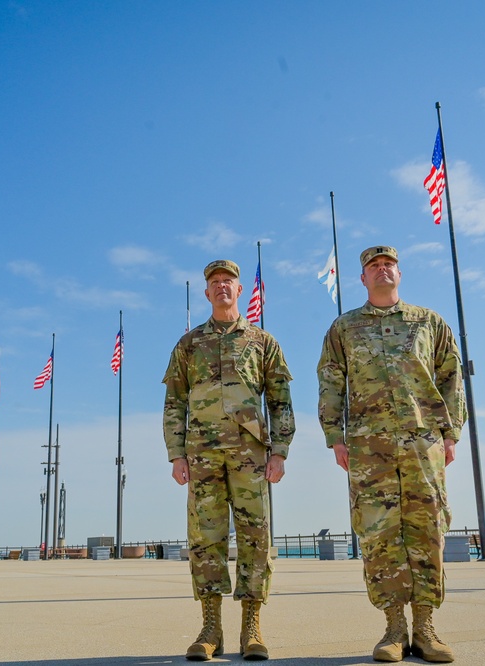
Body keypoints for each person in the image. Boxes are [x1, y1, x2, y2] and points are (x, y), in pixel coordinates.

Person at [317, 246, 466, 663]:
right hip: (369, 445)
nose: (381, 270)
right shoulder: (344, 328)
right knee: (378, 532)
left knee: (428, 528)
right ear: (362, 279)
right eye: (372, 267)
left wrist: (451, 434)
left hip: (423, 441)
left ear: (399, 273)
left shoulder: (429, 322)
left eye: (387, 265)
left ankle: (425, 626)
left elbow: (451, 377)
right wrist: (336, 437)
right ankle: (393, 628)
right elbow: (330, 383)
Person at [162, 259, 296, 662]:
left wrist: (280, 450)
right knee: (205, 540)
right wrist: (176, 453)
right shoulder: (188, 345)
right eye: (215, 282)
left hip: (251, 455)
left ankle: (251, 628)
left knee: (256, 537)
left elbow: (280, 401)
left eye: (228, 282)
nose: (222, 287)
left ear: (240, 291)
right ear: (206, 293)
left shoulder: (262, 342)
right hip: (201, 456)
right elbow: (174, 403)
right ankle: (210, 629)